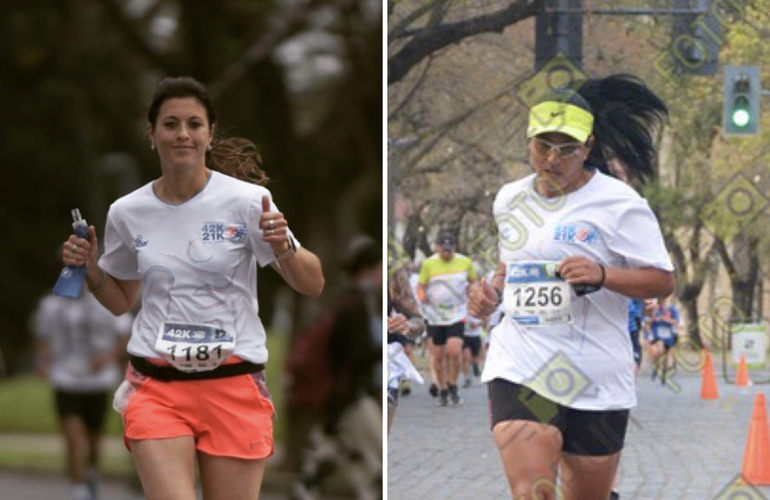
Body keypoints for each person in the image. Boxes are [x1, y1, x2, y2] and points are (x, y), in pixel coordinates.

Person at [60, 76, 324, 500]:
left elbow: (312, 283)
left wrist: (285, 246)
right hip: (157, 384)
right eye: (170, 124)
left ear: (209, 133)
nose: (182, 134)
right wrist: (91, 271)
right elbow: (121, 300)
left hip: (233, 382)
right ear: (152, 134)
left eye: (194, 124)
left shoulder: (249, 200)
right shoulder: (127, 211)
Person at [469, 74, 674, 500]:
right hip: (523, 364)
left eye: (567, 149)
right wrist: (489, 294)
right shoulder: (509, 199)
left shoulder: (620, 204)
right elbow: (510, 267)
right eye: (543, 145)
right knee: (533, 492)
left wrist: (603, 275)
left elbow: (662, 280)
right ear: (528, 142)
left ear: (589, 146)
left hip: (595, 373)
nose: (552, 158)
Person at [289, 235, 382, 500]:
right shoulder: (354, 308)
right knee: (372, 461)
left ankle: (306, 485)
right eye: (378, 270)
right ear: (367, 270)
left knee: (344, 457)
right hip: (351, 399)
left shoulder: (344, 304)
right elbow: (358, 355)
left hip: (341, 399)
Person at [33, 289, 132, 500]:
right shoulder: (51, 305)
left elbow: (125, 333)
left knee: (93, 439)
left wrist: (109, 357)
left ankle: (91, 472)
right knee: (73, 437)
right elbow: (44, 337)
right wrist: (43, 360)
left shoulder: (105, 302)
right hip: (65, 377)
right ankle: (80, 488)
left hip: (97, 380)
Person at [416, 232, 477, 406]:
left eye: (450, 250)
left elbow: (473, 282)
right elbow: (421, 286)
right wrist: (421, 296)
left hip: (457, 313)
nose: (447, 253)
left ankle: (453, 384)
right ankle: (443, 388)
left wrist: (473, 291)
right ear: (437, 248)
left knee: (454, 350)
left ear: (454, 248)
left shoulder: (465, 262)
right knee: (438, 357)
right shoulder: (429, 264)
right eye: (444, 250)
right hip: (435, 316)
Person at [645, 297, 681, 384]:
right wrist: (652, 320)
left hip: (668, 335)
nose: (661, 305)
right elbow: (646, 322)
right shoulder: (653, 309)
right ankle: (655, 366)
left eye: (662, 302)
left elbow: (676, 322)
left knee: (666, 354)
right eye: (659, 303)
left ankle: (662, 371)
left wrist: (666, 320)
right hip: (657, 335)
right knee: (658, 351)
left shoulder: (671, 309)